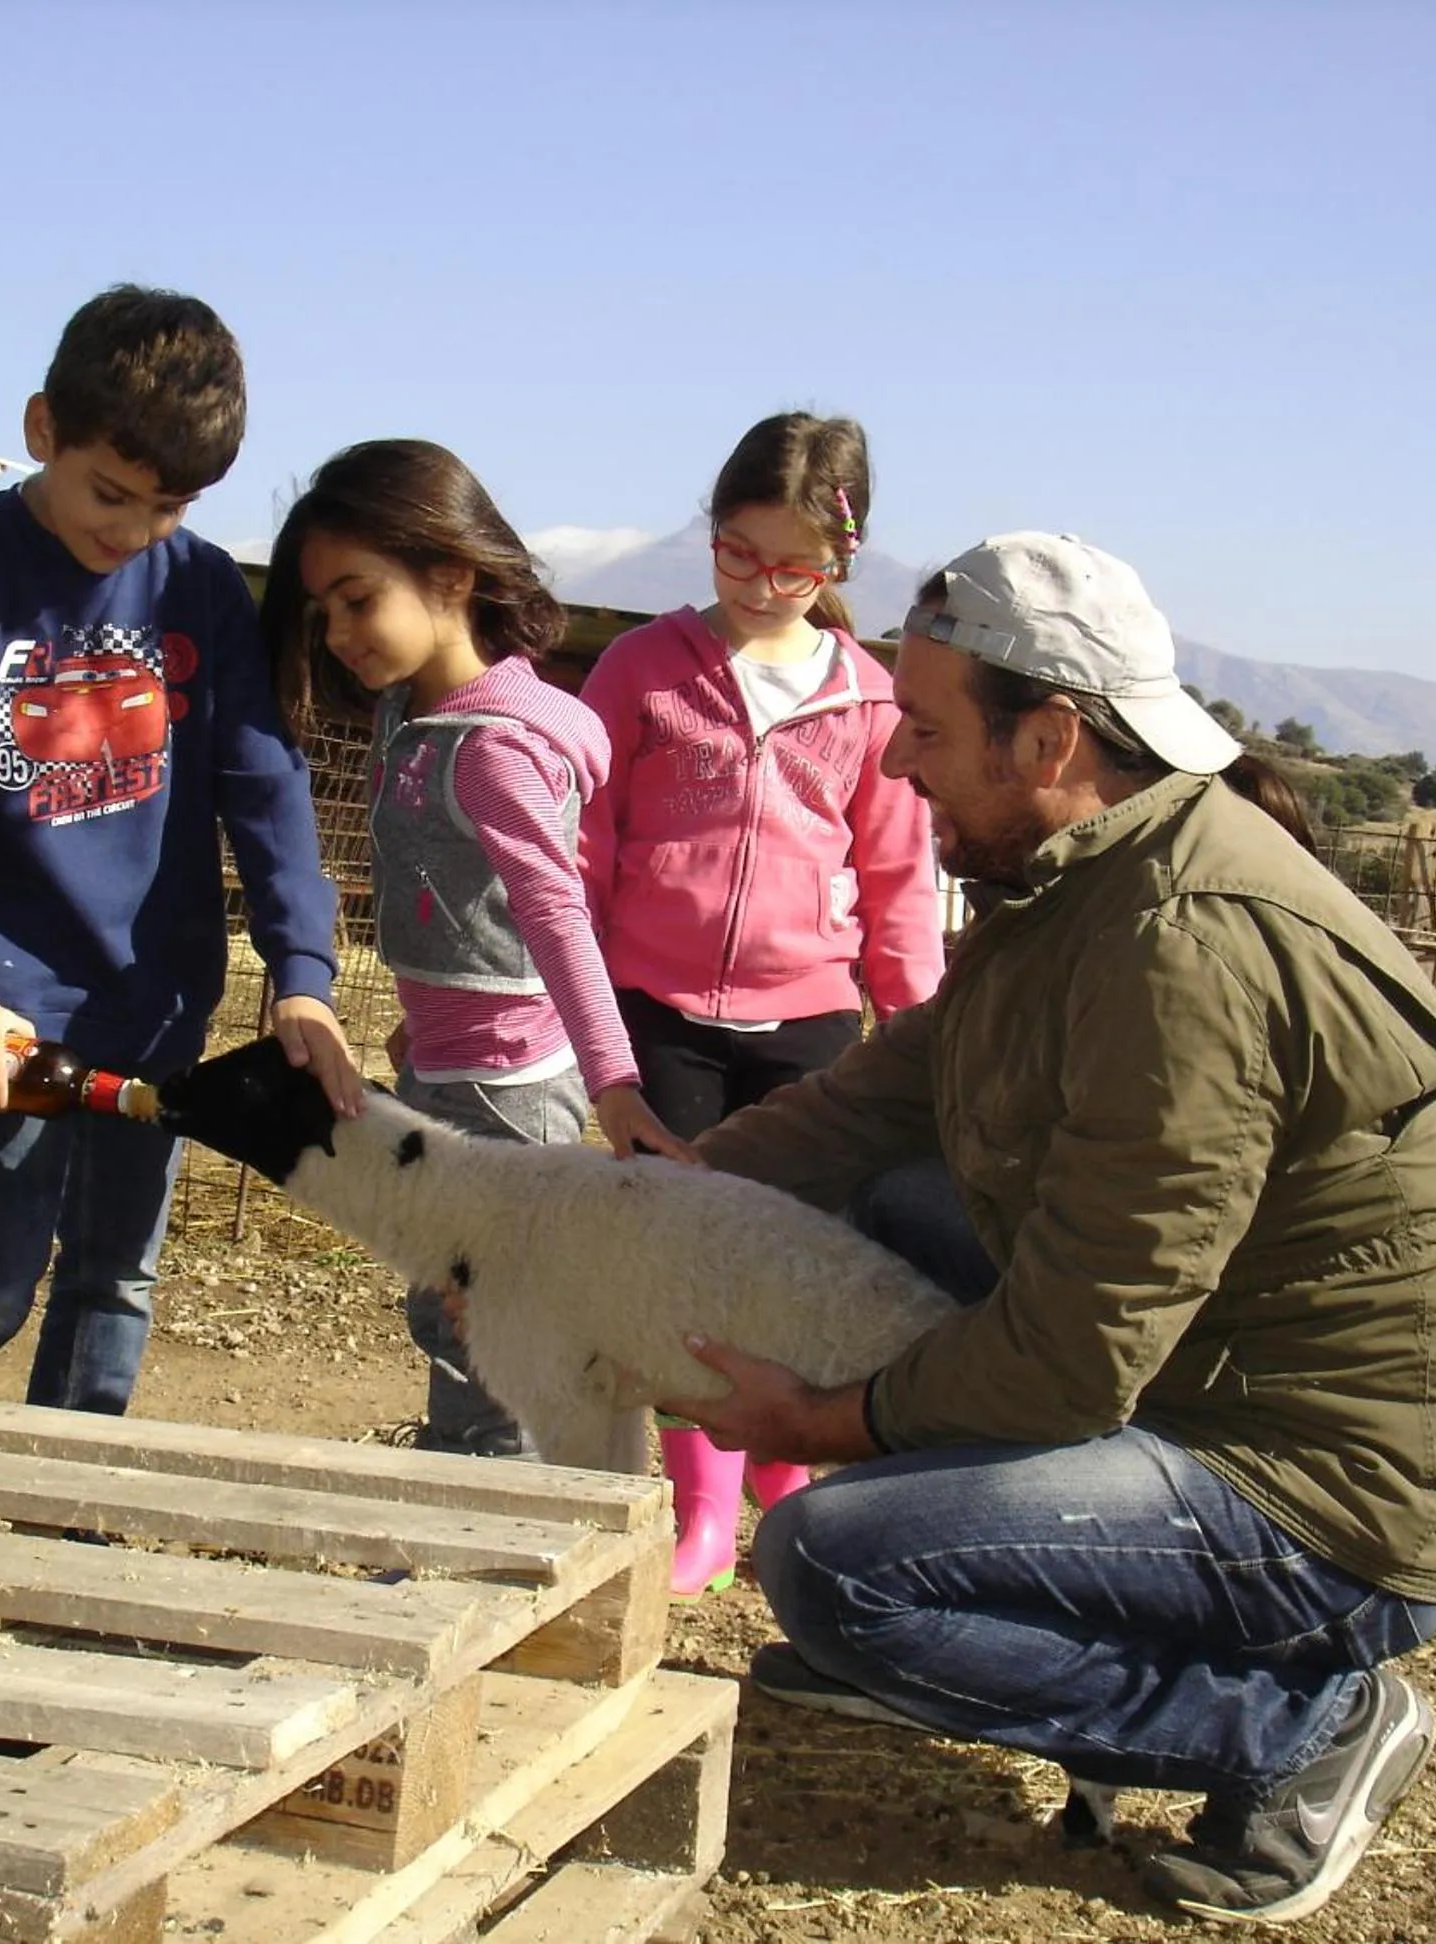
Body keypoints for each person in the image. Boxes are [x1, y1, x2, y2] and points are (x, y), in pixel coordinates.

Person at [660, 532, 1436, 1924]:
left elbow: (1070, 1360)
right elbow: (873, 1107)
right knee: (886, 1202)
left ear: (1050, 736)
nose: (896, 768)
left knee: (827, 1566)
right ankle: (951, 1616)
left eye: (928, 733)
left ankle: (1303, 1732)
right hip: (1216, 1379)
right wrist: (618, 1224)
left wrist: (819, 1421)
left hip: (1324, 1499)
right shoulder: (1087, 879)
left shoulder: (1180, 944)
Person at [0, 285, 361, 1417]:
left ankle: (62, 1518)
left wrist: (301, 978)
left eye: (168, 506)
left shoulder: (201, 587)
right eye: (110, 493)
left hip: (157, 1006)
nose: (131, 530)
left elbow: (266, 790)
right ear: (40, 430)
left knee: (117, 1278)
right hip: (6, 1018)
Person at [262, 439, 693, 1459]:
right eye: (325, 610)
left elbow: (553, 918)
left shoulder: (491, 750)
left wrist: (616, 1086)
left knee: (481, 1324)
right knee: (457, 1309)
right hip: (445, 1065)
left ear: (450, 576)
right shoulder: (413, 712)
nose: (340, 632)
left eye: (358, 600)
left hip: (502, 1093)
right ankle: (496, 1494)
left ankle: (492, 1513)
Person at [580, 411, 943, 1593]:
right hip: (660, 1010)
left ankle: (785, 1475)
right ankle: (703, 1507)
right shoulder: (640, 669)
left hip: (811, 1024)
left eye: (797, 566)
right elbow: (585, 852)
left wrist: (925, 1038)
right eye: (739, 552)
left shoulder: (873, 704)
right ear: (712, 528)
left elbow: (896, 887)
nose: (764, 584)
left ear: (841, 563)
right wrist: (578, 1008)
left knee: (792, 1260)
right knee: (678, 1258)